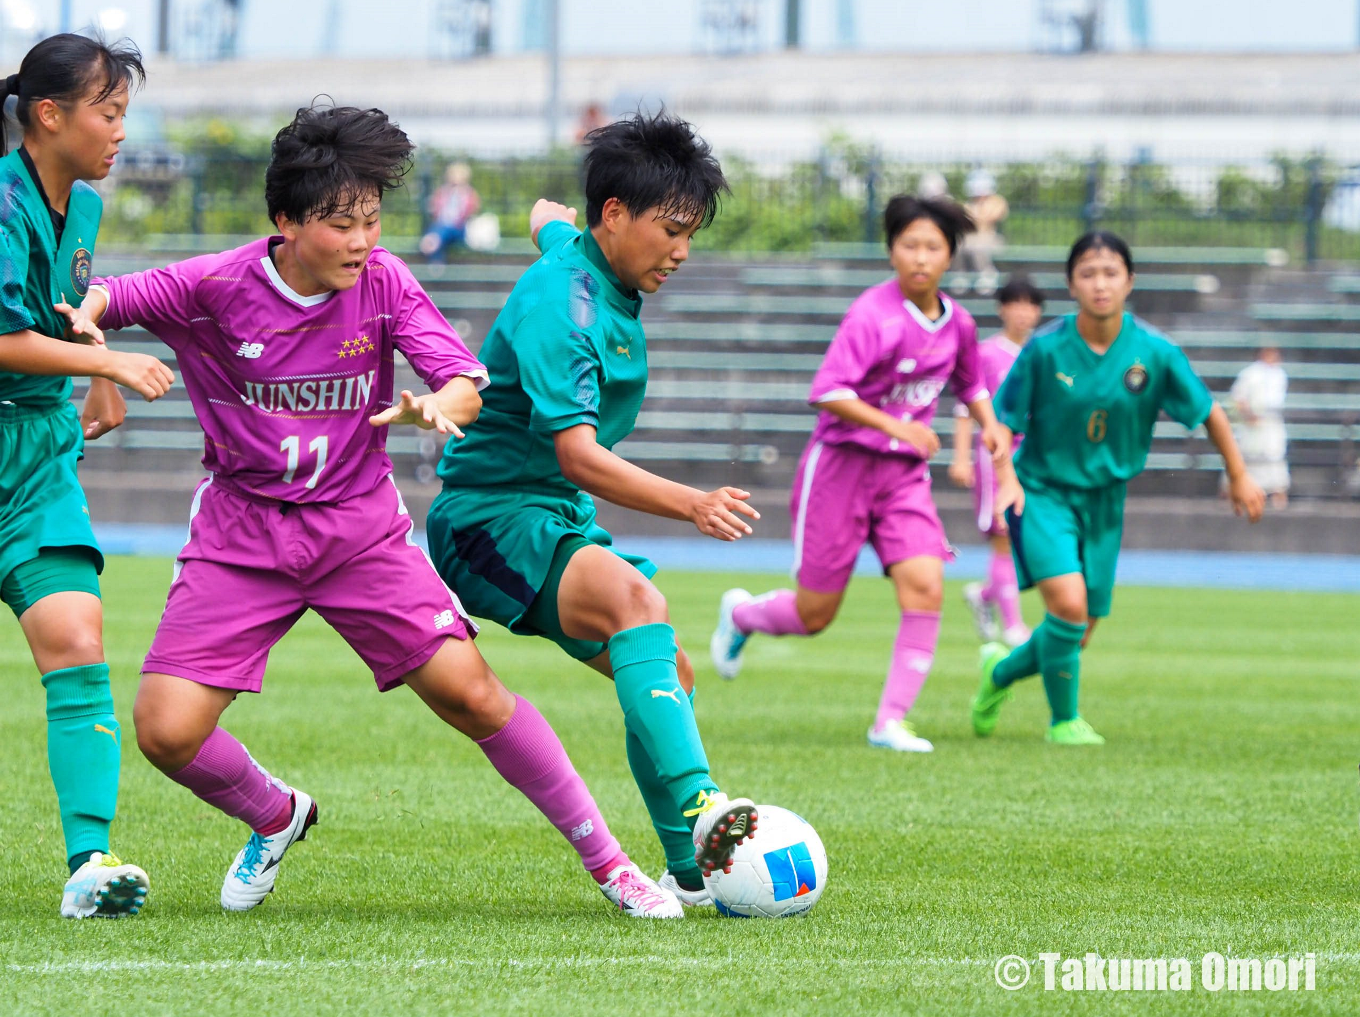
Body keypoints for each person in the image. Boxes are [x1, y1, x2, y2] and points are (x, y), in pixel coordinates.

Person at [66, 104, 682, 918]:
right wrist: (100, 361)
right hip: (242, 532)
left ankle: (614, 866)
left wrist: (442, 404)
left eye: (371, 219)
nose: (362, 239)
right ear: (285, 222)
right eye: (339, 223)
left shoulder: (386, 280)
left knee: (474, 695)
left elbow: (464, 377)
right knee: (165, 732)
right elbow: (99, 297)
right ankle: (275, 815)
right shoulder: (216, 284)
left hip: (359, 529)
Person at [425, 110, 759, 910]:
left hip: (550, 510)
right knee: (638, 603)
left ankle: (689, 872)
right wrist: (693, 503)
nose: (682, 252)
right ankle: (705, 807)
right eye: (672, 231)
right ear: (616, 216)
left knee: (669, 671)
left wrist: (550, 223)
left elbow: (556, 233)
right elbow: (576, 454)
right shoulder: (563, 311)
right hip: (488, 518)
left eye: (691, 234)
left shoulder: (587, 255)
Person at [710, 194, 1022, 755]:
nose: (920, 258)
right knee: (814, 614)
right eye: (909, 246)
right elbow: (828, 392)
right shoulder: (871, 315)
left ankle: (890, 723)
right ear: (891, 251)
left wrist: (989, 424)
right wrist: (901, 428)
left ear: (950, 255)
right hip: (841, 470)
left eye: (933, 247)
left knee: (927, 585)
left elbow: (971, 382)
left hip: (902, 479)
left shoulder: (960, 324)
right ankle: (741, 614)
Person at [970, 232, 1265, 746]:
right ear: (1071, 283)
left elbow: (1210, 412)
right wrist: (1006, 479)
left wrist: (1238, 473)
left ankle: (999, 674)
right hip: (1042, 493)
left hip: (1107, 502)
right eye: (1088, 273)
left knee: (1079, 628)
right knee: (1067, 603)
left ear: (1129, 280)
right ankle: (1064, 721)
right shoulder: (1044, 350)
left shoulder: (1154, 352)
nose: (1100, 283)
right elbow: (999, 422)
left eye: (1110, 273)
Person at [0, 33, 171, 919]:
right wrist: (105, 370)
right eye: (107, 114)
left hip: (35, 459)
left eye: (123, 115)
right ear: (49, 115)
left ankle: (89, 862)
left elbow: (52, 320)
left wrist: (85, 363)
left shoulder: (86, 208)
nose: (117, 132)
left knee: (76, 633)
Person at [950, 275, 1046, 647]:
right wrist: (960, 458)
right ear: (1002, 309)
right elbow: (965, 407)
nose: (1023, 313)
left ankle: (986, 594)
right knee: (1003, 536)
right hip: (996, 456)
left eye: (1030, 305)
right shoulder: (987, 353)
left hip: (1034, 460)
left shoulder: (1043, 353)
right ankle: (1013, 626)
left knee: (1033, 544)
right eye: (1015, 304)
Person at [1228, 346, 1289, 509]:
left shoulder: (1280, 375)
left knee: (1275, 459)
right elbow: (1238, 398)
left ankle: (1278, 499)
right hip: (1251, 428)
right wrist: (1249, 415)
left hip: (1271, 428)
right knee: (1246, 460)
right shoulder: (1249, 374)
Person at [957, 169, 1007, 295]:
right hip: (971, 238)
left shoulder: (997, 201)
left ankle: (987, 275)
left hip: (991, 239)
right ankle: (960, 275)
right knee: (958, 243)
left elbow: (990, 216)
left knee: (978, 246)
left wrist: (977, 215)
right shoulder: (968, 204)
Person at [418, 162, 480, 260]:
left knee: (440, 232)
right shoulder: (442, 191)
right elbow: (434, 209)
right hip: (441, 226)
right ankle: (433, 249)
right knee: (440, 231)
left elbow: (471, 212)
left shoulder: (469, 193)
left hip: (459, 228)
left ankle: (430, 243)